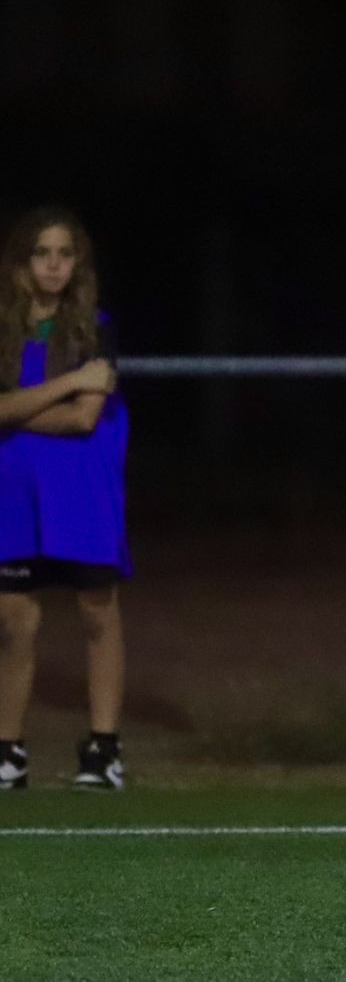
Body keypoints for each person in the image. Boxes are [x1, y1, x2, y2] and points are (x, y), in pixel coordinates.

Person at [0, 207, 130, 791]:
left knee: (95, 610)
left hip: (81, 489)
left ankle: (104, 751)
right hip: (13, 492)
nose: (53, 265)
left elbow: (84, 420)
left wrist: (22, 408)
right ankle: (9, 751)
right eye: (41, 254)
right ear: (21, 263)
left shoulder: (94, 329)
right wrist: (70, 381)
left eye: (64, 254)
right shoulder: (3, 329)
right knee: (14, 617)